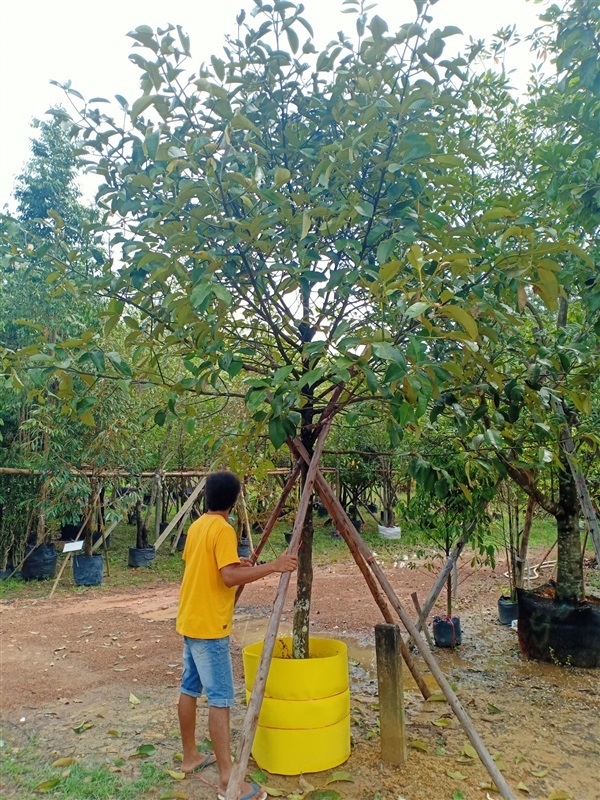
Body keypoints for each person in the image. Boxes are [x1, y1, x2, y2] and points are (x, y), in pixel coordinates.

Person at [176, 471, 297, 800]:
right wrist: (274, 566)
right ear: (233, 500)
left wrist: (239, 565)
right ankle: (228, 780)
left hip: (190, 619)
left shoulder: (198, 526)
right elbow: (228, 577)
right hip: (210, 628)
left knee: (189, 687)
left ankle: (190, 757)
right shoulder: (224, 529)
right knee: (221, 699)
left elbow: (211, 568)